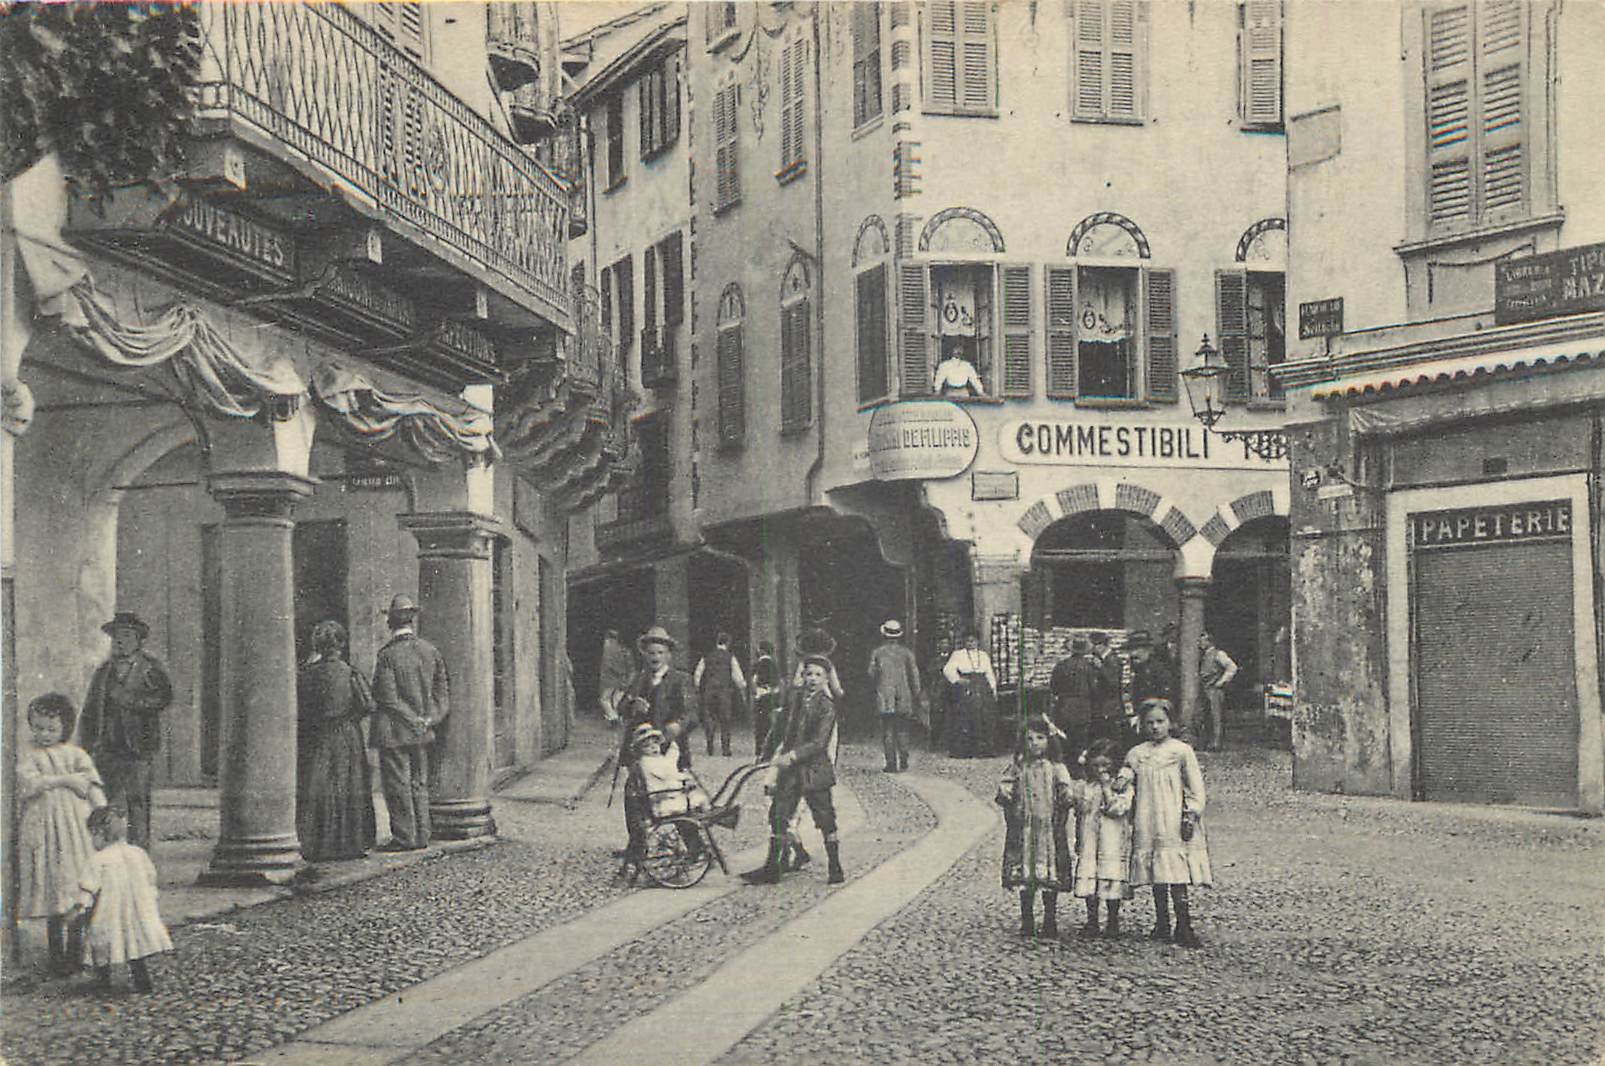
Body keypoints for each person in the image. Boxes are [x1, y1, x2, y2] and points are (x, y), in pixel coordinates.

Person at [16, 693, 106, 977]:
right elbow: (28, 785)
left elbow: (92, 787)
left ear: (64, 728)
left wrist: (103, 813)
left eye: (51, 729)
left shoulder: (77, 755)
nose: (43, 735)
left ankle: (76, 953)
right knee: (53, 889)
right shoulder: (29, 755)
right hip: (44, 827)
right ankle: (57, 958)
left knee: (76, 886)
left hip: (74, 829)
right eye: (38, 727)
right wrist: (65, 780)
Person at [742, 655, 844, 886]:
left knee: (825, 817)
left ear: (826, 678)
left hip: (814, 770)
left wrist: (794, 756)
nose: (813, 679)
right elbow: (779, 727)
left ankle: (835, 867)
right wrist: (766, 753)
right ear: (803, 675)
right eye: (809, 674)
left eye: (818, 675)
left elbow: (819, 743)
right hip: (790, 771)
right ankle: (772, 868)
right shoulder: (794, 698)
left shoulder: (827, 707)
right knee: (779, 813)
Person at [79, 611, 173, 850]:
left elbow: (163, 698)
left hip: (138, 749)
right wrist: (87, 747)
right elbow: (90, 710)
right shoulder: (104, 672)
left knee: (137, 803)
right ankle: (110, 855)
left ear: (138, 640)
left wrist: (130, 699)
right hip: (107, 749)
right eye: (117, 636)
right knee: (107, 803)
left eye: (127, 636)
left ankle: (139, 855)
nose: (120, 641)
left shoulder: (150, 668)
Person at [1126, 699, 1212, 948]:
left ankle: (1183, 924)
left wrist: (1191, 813)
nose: (1155, 727)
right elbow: (1126, 782)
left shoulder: (1181, 751)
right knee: (1157, 869)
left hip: (1173, 817)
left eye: (1160, 722)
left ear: (1170, 723)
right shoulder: (1137, 754)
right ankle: (1161, 921)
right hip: (1148, 817)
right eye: (1149, 722)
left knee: (1175, 870)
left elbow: (1195, 787)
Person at [371, 594, 450, 852]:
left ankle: (404, 838)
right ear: (412, 621)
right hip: (423, 731)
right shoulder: (431, 651)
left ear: (391, 623)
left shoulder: (387, 656)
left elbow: (388, 699)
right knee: (419, 782)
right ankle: (422, 835)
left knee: (397, 784)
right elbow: (442, 696)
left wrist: (412, 719)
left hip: (394, 732)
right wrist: (428, 720)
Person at [297, 620, 377, 863]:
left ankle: (320, 845)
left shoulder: (307, 674)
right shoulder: (351, 673)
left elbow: (301, 709)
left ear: (318, 646)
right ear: (341, 644)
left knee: (319, 786)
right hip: (346, 735)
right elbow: (368, 705)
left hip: (318, 736)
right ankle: (351, 843)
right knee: (349, 785)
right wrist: (350, 718)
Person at [617, 626, 700, 855]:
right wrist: (632, 704)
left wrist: (677, 725)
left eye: (660, 653)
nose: (655, 657)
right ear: (644, 654)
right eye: (651, 652)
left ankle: (696, 848)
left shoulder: (680, 680)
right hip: (640, 752)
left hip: (669, 751)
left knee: (674, 800)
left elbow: (692, 713)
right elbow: (621, 706)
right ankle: (637, 846)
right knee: (635, 798)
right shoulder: (638, 679)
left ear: (669, 655)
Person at [74, 806, 172, 993]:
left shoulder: (99, 860)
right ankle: (142, 981)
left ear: (98, 833)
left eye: (92, 836)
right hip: (137, 910)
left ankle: (103, 981)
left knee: (101, 942)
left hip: (109, 912)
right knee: (134, 946)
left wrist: (81, 906)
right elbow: (151, 878)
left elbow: (88, 886)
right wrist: (150, 898)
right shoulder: (138, 854)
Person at [996, 716, 1073, 939]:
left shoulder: (1056, 767)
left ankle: (1050, 918)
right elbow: (1005, 785)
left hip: (1047, 828)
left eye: (1040, 738)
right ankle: (1027, 918)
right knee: (1026, 873)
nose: (1035, 743)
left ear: (1049, 741)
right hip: (1026, 828)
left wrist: (1066, 796)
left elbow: (1066, 790)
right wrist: (1007, 791)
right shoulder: (1019, 767)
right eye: (1029, 739)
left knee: (1048, 872)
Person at [1069, 739, 1135, 938]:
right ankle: (1092, 920)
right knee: (1090, 877)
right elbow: (1080, 813)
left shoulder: (1122, 787)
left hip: (1112, 839)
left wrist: (1108, 788)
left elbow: (1118, 809)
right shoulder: (1086, 787)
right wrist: (1079, 838)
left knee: (1110, 876)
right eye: (1096, 765)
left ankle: (1113, 921)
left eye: (1105, 765)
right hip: (1090, 838)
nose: (1100, 770)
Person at [868, 619, 922, 773]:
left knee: (888, 729)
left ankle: (891, 762)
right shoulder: (907, 653)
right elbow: (914, 675)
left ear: (883, 635)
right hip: (904, 695)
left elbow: (870, 673)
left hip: (885, 696)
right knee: (903, 728)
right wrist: (916, 694)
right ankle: (904, 758)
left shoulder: (877, 653)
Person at [942, 630, 998, 758]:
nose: (971, 643)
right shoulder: (958, 654)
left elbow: (989, 672)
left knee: (984, 717)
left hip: (982, 686)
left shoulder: (983, 655)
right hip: (966, 686)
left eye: (973, 641)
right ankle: (964, 750)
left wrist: (993, 689)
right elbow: (947, 669)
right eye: (968, 641)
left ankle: (983, 750)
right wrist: (958, 680)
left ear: (977, 641)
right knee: (965, 718)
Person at [694, 632, 746, 758]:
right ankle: (725, 749)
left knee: (710, 719)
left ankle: (710, 746)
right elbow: (737, 676)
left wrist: (698, 688)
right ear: (728, 643)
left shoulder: (706, 657)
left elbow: (698, 674)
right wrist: (742, 687)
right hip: (724, 692)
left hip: (709, 691)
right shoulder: (730, 657)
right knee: (725, 720)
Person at [1048, 635, 1097, 761]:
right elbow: (1094, 688)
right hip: (1083, 707)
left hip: (1064, 706)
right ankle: (1078, 768)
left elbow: (1053, 687)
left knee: (1064, 738)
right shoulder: (1089, 667)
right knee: (1080, 740)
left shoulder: (1061, 665)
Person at [1197, 632, 1238, 752]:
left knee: (1216, 716)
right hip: (1205, 689)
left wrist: (1221, 682)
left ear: (1209, 641)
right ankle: (1207, 741)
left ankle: (1216, 743)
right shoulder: (1204, 655)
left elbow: (1232, 667)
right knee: (1206, 716)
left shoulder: (1219, 654)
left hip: (1215, 690)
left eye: (1202, 641)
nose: (1200, 644)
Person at [1088, 631, 1126, 751]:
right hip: (1105, 706)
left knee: (1111, 737)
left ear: (1101, 645)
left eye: (1094, 646)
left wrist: (1101, 668)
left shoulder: (1112, 660)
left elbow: (1113, 682)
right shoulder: (1105, 659)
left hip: (1110, 707)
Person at [748, 641, 782, 758]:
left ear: (761, 650)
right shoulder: (774, 665)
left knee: (760, 724)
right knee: (772, 724)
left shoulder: (757, 665)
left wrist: (755, 694)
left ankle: (759, 749)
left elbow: (753, 681)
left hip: (761, 696)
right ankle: (771, 748)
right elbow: (779, 684)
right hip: (772, 696)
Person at [598, 629, 635, 724]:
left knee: (604, 699)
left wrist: (618, 673)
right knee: (616, 700)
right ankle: (618, 718)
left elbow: (609, 665)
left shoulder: (608, 650)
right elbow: (630, 666)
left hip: (610, 680)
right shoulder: (625, 650)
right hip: (622, 679)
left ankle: (613, 717)